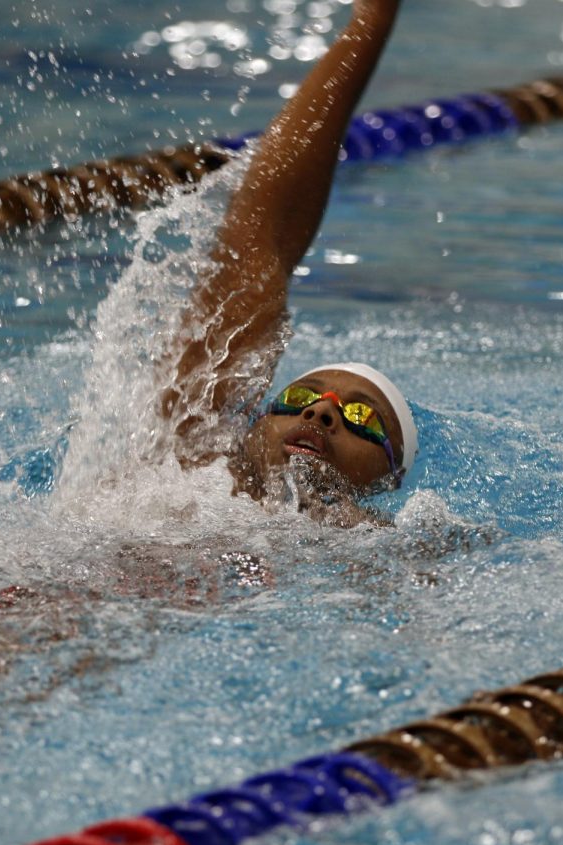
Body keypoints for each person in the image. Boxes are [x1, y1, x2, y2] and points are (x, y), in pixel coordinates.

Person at [160, 0, 416, 524]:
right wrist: (370, 22)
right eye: (299, 396)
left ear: (388, 479)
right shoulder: (180, 465)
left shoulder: (379, 548)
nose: (321, 411)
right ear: (255, 423)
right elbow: (258, 243)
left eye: (362, 416)